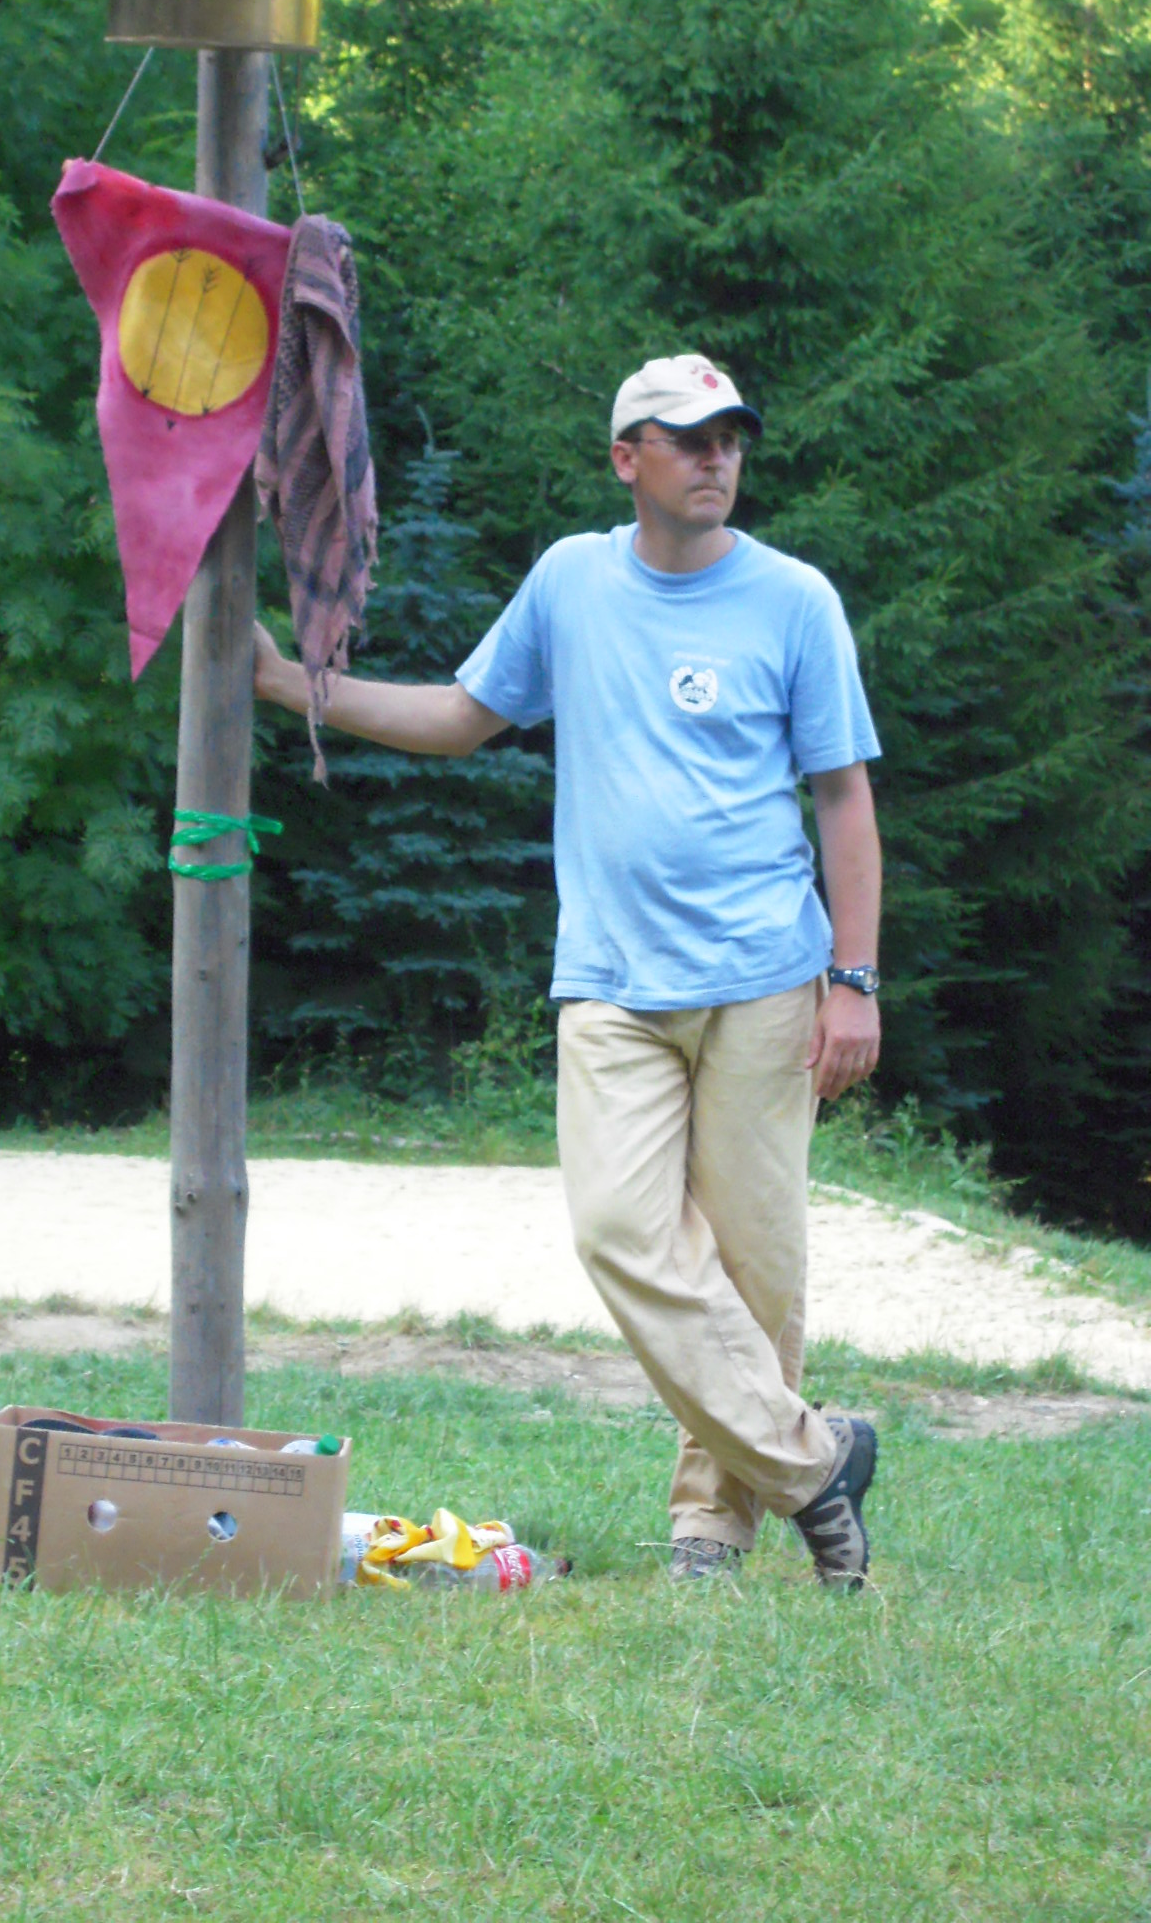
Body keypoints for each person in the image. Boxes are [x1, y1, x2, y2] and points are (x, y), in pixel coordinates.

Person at [253, 353, 883, 1588]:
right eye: (690, 438)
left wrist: (853, 979)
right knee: (618, 1231)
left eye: (731, 438)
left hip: (765, 976)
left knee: (755, 1265)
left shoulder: (795, 599)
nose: (716, 458)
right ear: (625, 457)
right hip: (610, 977)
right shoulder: (571, 581)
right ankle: (818, 1461)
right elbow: (460, 715)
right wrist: (292, 686)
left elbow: (844, 795)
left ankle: (714, 1523)